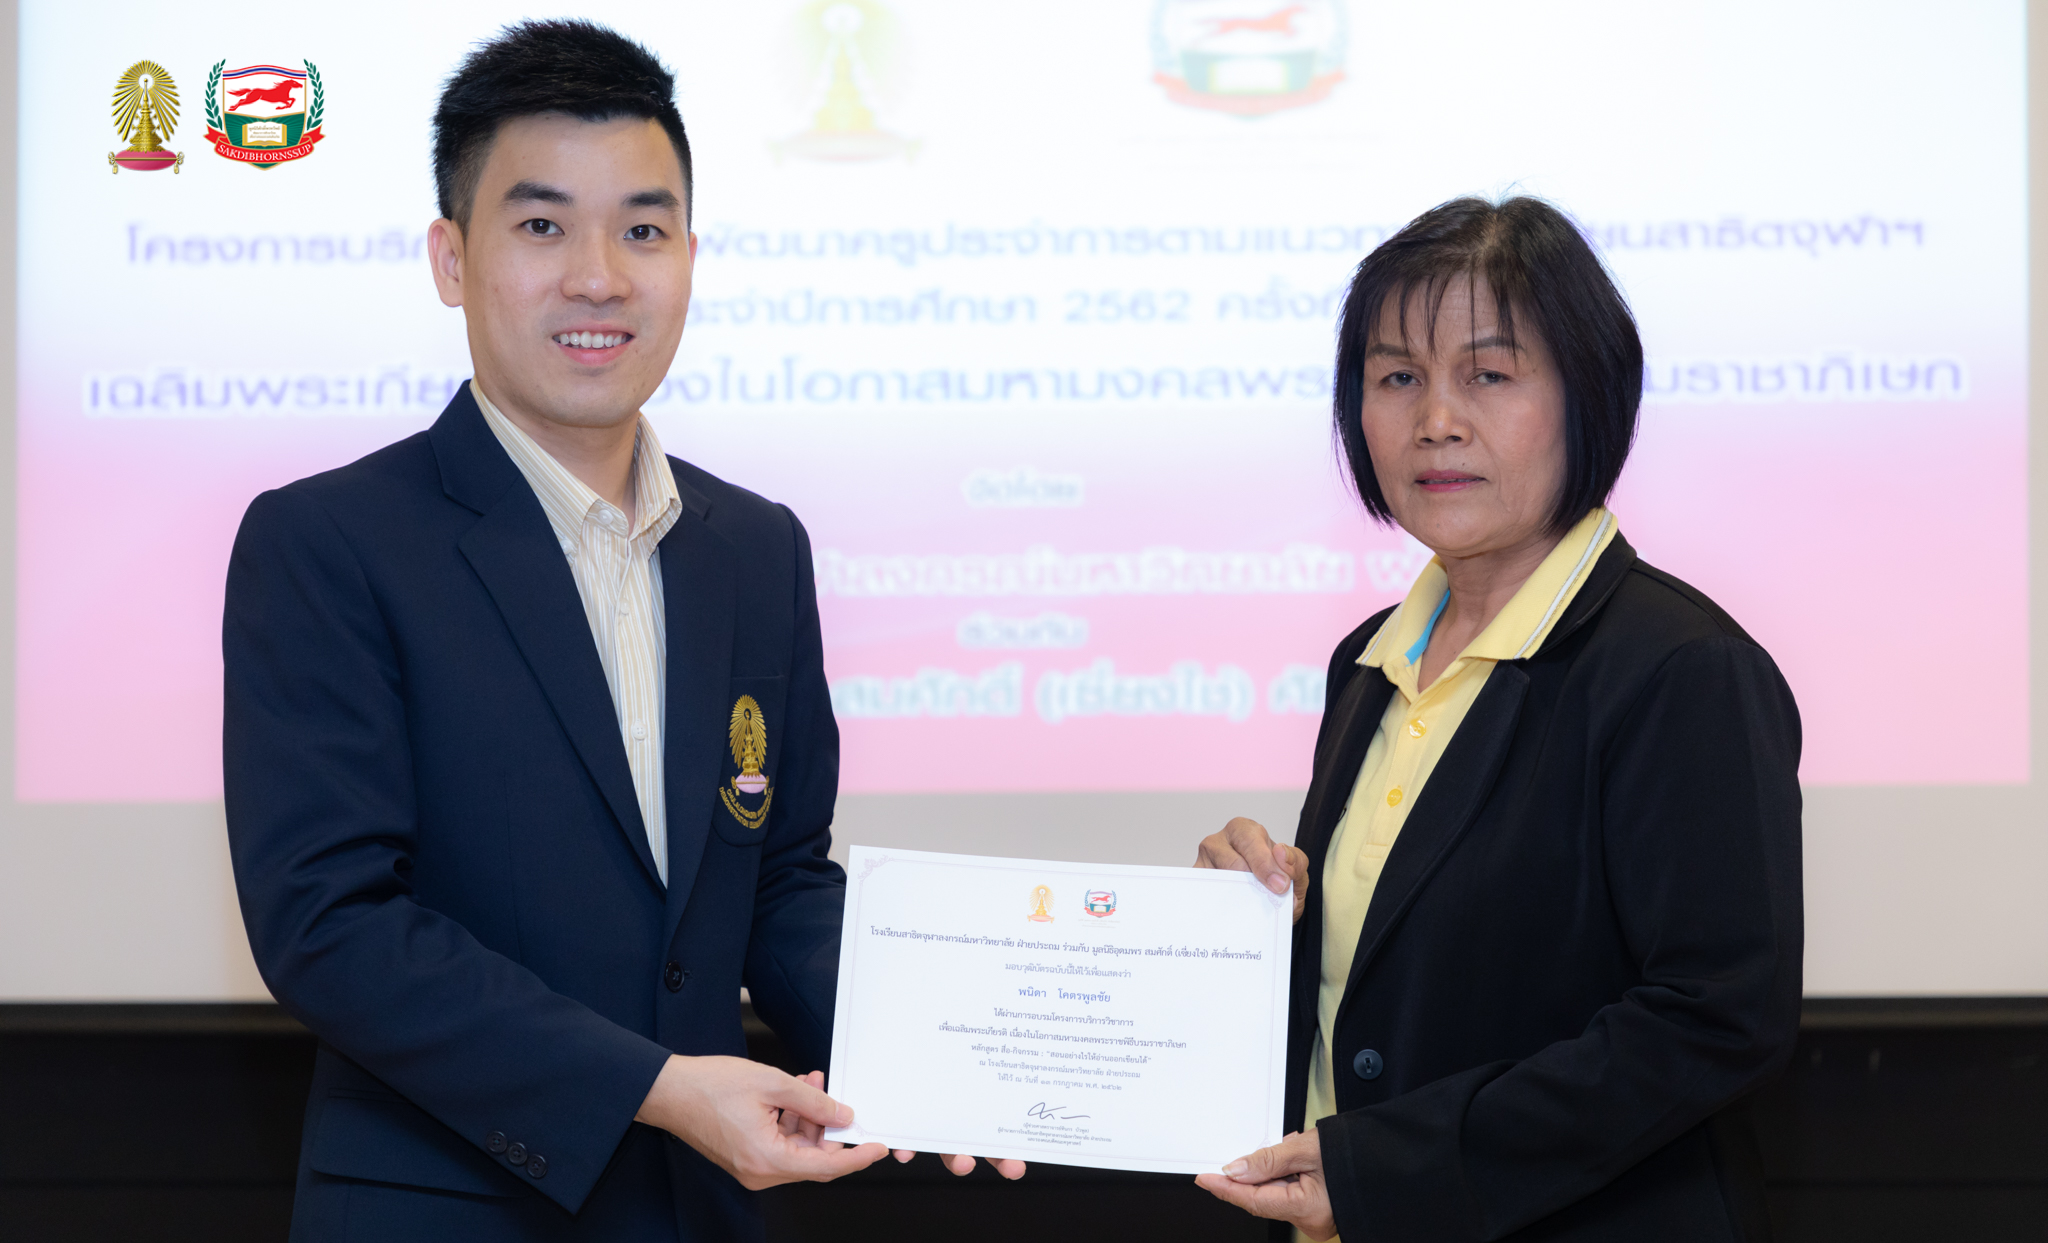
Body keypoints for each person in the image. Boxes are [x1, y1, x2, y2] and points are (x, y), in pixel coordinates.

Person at [222, 21, 1013, 1242]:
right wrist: (657, 1088)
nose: (599, 277)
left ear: (690, 256)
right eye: (542, 226)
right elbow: (331, 924)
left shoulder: (756, 548)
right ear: (451, 257)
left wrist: (960, 1050)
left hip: (705, 1213)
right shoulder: (329, 541)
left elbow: (777, 881)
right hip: (448, 1211)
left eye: (642, 231)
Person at [1191, 197, 1803, 1241]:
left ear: (1585, 397)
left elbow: (1715, 1019)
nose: (1436, 419)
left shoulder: (1679, 668)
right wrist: (1243, 925)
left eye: (1487, 374)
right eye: (1397, 378)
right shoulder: (1369, 661)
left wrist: (1390, 1170)